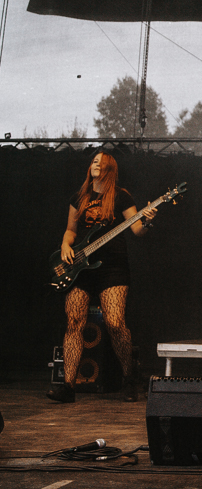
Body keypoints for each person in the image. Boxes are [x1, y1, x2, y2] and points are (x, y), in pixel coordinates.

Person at [47, 151, 156, 404]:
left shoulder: (121, 196)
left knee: (115, 323)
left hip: (113, 267)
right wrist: (65, 245)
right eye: (94, 161)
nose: (96, 164)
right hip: (80, 266)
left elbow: (137, 229)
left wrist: (148, 221)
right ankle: (68, 387)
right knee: (74, 321)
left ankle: (130, 378)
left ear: (110, 168)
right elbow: (71, 230)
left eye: (101, 162)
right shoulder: (79, 197)